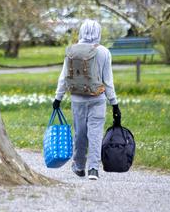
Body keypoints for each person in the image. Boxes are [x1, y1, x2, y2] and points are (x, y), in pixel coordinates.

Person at [52, 19, 121, 180]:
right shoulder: (104, 52)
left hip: (77, 99)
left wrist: (58, 97)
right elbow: (108, 81)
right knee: (95, 134)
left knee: (80, 133)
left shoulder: (71, 51)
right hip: (98, 98)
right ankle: (93, 169)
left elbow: (63, 77)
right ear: (98, 32)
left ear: (81, 32)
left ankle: (79, 166)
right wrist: (114, 104)